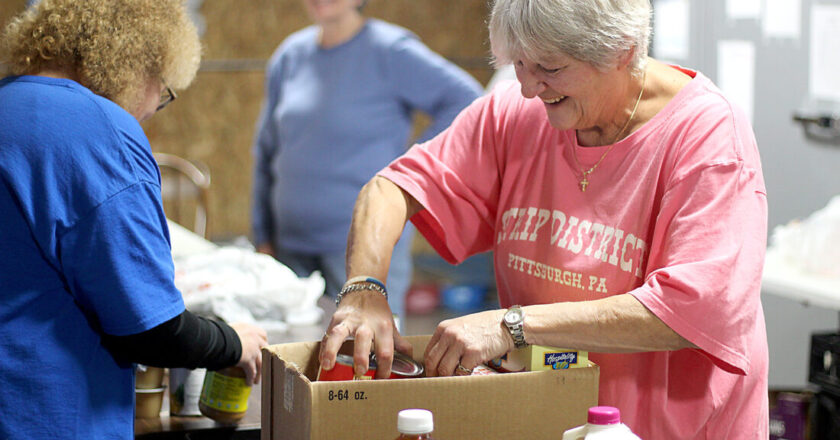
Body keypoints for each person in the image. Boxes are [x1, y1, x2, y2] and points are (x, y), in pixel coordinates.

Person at [318, 0, 769, 438]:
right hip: (552, 416)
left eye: (550, 69)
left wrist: (512, 325)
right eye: (519, 64)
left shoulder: (708, 138)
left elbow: (691, 310)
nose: (529, 88)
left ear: (622, 51)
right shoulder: (517, 114)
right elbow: (391, 188)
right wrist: (364, 288)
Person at [0, 1, 267, 438]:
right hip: (47, 418)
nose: (152, 107)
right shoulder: (100, 132)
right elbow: (152, 330)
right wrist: (233, 342)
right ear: (135, 62)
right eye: (164, 91)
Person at [250, 0, 483, 325]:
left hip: (362, 249)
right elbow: (265, 150)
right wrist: (261, 234)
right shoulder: (290, 56)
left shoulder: (391, 50)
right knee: (293, 350)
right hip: (289, 251)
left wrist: (411, 168)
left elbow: (467, 100)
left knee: (367, 348)